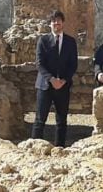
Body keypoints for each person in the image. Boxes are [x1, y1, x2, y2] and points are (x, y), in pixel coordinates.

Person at [32, 10, 79, 147]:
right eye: (53, 21)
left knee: (61, 120)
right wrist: (52, 80)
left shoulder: (71, 42)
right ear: (50, 24)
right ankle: (35, 147)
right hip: (45, 85)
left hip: (63, 86)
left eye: (58, 20)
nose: (56, 23)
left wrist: (63, 80)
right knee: (40, 119)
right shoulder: (43, 40)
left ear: (63, 23)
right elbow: (40, 63)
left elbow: (73, 65)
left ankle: (60, 147)